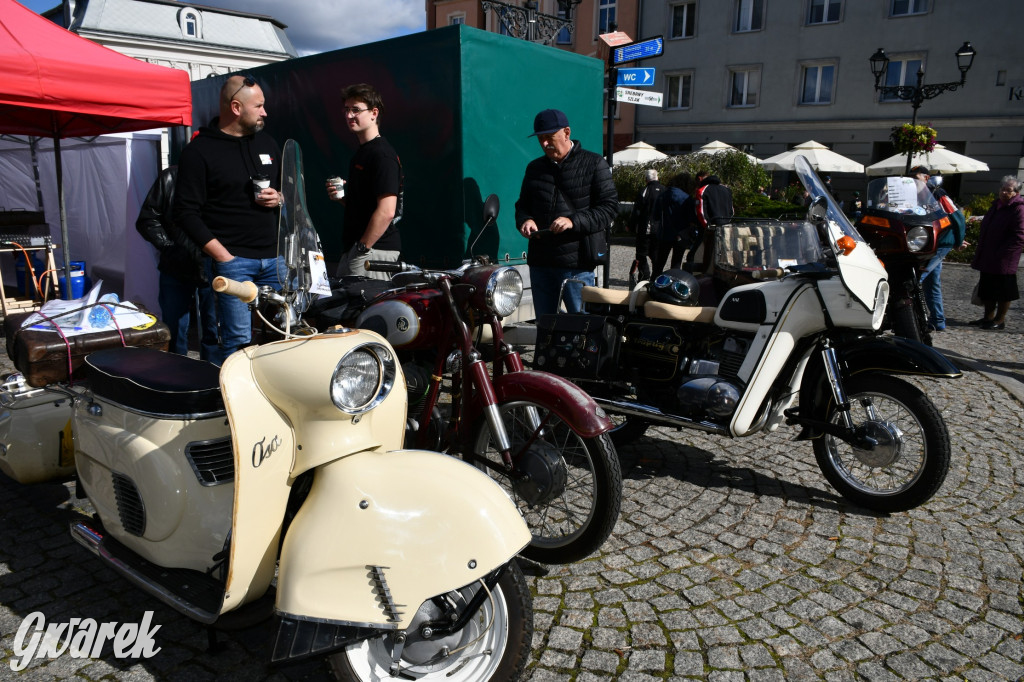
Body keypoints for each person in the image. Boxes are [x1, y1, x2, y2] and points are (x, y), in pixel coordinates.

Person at [174, 74, 285, 366]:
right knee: (238, 343)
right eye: (258, 106)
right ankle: (234, 406)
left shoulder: (268, 143)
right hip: (234, 262)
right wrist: (224, 257)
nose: (265, 112)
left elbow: (285, 192)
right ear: (236, 107)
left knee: (283, 336)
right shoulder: (199, 152)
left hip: (275, 260)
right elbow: (184, 212)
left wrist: (279, 198)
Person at [515, 109, 617, 316]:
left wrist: (573, 221)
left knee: (581, 326)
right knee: (546, 325)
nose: (544, 144)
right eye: (540, 139)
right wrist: (525, 220)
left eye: (549, 138)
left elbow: (609, 208)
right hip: (541, 261)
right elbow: (522, 205)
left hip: (576, 263)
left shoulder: (594, 163)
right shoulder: (534, 168)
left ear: (566, 133)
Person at [136, 165, 217, 361]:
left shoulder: (221, 175)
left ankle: (214, 375)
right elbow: (147, 219)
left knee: (214, 326)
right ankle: (176, 370)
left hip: (214, 262)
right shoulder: (171, 177)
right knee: (173, 325)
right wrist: (170, 247)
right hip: (176, 263)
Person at [328, 83, 403, 280]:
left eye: (356, 110)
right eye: (346, 110)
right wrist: (343, 197)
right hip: (358, 249)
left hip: (374, 251)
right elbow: (365, 206)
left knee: (371, 310)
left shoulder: (382, 154)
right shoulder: (362, 153)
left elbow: (387, 211)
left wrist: (362, 247)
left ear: (374, 113)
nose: (349, 115)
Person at [910, 165, 966, 332]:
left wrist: (957, 241)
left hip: (941, 243)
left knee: (917, 278)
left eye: (916, 176)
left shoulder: (938, 193)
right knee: (931, 283)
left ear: (926, 178)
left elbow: (958, 218)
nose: (912, 179)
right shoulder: (916, 195)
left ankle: (913, 319)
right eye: (910, 176)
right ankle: (937, 320)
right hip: (929, 242)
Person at [970, 175, 1024, 330]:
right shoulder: (997, 205)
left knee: (1004, 290)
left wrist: (1004, 253)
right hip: (989, 253)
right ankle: (988, 317)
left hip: (1005, 257)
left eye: (1009, 190)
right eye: (1003, 189)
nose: (1005, 192)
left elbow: (1019, 235)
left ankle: (1000, 320)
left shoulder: (1018, 208)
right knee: (987, 287)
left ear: (1016, 193)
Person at [651, 173, 697, 277]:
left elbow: (656, 216)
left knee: (659, 263)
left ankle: (654, 283)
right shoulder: (686, 198)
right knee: (676, 262)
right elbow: (691, 218)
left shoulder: (662, 195)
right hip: (680, 233)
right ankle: (671, 284)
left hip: (664, 233)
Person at [691, 172, 734, 274]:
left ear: (700, 179)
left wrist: (707, 226)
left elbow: (700, 212)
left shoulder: (702, 190)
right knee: (724, 254)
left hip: (710, 229)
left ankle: (704, 276)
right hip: (726, 227)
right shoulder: (726, 190)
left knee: (705, 255)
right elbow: (731, 211)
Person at [628, 168, 664, 284]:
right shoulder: (665, 190)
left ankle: (644, 275)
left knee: (641, 254)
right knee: (656, 254)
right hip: (660, 229)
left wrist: (631, 226)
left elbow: (637, 211)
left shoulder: (645, 191)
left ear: (646, 179)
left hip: (646, 229)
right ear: (658, 178)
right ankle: (657, 276)